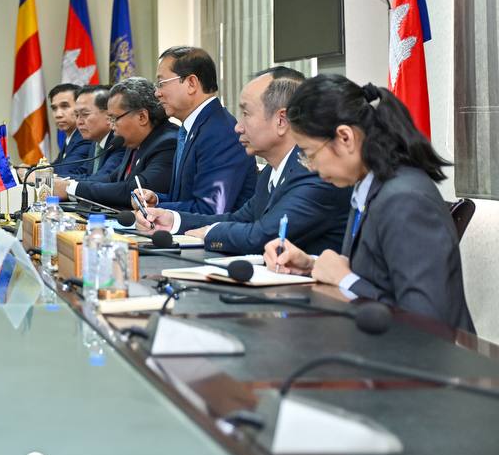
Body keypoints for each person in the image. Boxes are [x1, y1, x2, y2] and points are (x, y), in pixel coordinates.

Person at [264, 75, 472, 331]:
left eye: (309, 154)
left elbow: (427, 322)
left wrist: (344, 279)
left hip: (426, 354)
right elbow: (376, 279)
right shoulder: (367, 186)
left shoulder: (405, 201)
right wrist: (312, 266)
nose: (311, 167)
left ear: (345, 138)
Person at [136, 67, 349, 255]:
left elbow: (261, 236)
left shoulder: (314, 171)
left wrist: (209, 233)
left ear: (281, 121)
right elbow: (239, 219)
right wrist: (172, 221)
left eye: (246, 113)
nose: (238, 127)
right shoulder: (273, 171)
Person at [139, 46, 256, 215]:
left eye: (161, 83)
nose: (157, 93)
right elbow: (185, 199)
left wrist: (157, 210)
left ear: (191, 84)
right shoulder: (193, 128)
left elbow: (210, 210)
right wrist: (156, 200)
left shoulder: (220, 133)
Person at [55, 77, 178, 209]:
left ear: (142, 117)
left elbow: (133, 191)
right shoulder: (134, 141)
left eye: (114, 118)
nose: (111, 126)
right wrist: (64, 184)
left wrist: (71, 189)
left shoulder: (167, 143)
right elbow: (110, 180)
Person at [72, 85, 126, 180]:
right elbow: (83, 172)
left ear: (109, 115)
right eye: (77, 115)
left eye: (85, 114)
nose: (79, 122)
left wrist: (64, 184)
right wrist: (54, 178)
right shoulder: (96, 142)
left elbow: (102, 178)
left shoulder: (119, 141)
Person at [47, 83, 93, 176]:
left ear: (79, 108)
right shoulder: (71, 136)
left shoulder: (85, 137)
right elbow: (56, 165)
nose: (58, 114)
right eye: (54, 108)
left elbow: (64, 170)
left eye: (65, 106)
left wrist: (29, 172)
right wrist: (28, 169)